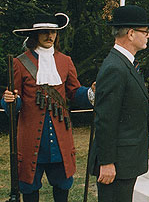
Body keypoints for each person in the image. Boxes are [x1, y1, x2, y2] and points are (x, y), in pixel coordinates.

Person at [1, 13, 95, 202]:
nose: (49, 36)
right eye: (44, 32)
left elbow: (74, 92)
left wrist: (91, 93)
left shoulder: (65, 61)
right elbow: (14, 101)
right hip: (30, 140)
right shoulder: (19, 62)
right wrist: (9, 99)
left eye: (52, 32)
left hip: (61, 139)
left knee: (62, 188)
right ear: (35, 35)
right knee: (29, 189)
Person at [89, 5, 149, 202]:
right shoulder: (115, 67)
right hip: (117, 163)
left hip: (125, 160)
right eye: (146, 31)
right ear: (131, 34)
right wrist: (107, 162)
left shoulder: (126, 64)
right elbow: (105, 119)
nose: (148, 36)